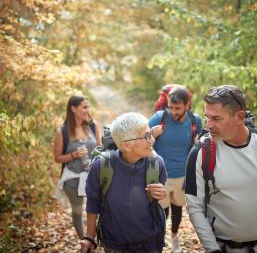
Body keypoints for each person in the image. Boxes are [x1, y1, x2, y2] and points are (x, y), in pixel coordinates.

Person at [81, 112, 167, 253]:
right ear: (126, 146)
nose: (152, 139)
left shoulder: (157, 164)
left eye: (150, 133)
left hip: (150, 242)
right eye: (146, 136)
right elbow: (93, 201)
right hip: (114, 243)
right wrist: (90, 236)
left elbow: (156, 199)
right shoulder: (101, 167)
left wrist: (162, 192)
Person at [185, 85, 257, 253]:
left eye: (216, 119)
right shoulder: (201, 152)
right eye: (207, 117)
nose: (208, 125)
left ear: (239, 117)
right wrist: (212, 249)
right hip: (222, 248)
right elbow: (194, 207)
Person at [149, 85, 202, 253]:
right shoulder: (160, 117)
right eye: (170, 107)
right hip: (160, 175)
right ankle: (159, 238)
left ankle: (174, 237)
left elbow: (200, 146)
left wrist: (198, 144)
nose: (173, 111)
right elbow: (142, 140)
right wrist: (152, 134)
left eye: (177, 108)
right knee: (162, 211)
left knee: (177, 209)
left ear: (187, 105)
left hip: (183, 175)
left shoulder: (195, 121)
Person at [54, 94, 101, 239]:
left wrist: (95, 159)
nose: (88, 110)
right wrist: (73, 155)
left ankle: (98, 237)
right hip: (72, 177)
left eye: (88, 106)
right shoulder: (62, 132)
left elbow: (100, 149)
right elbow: (57, 158)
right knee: (78, 211)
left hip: (93, 176)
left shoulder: (93, 126)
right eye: (84, 107)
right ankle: (85, 242)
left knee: (98, 209)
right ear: (73, 109)